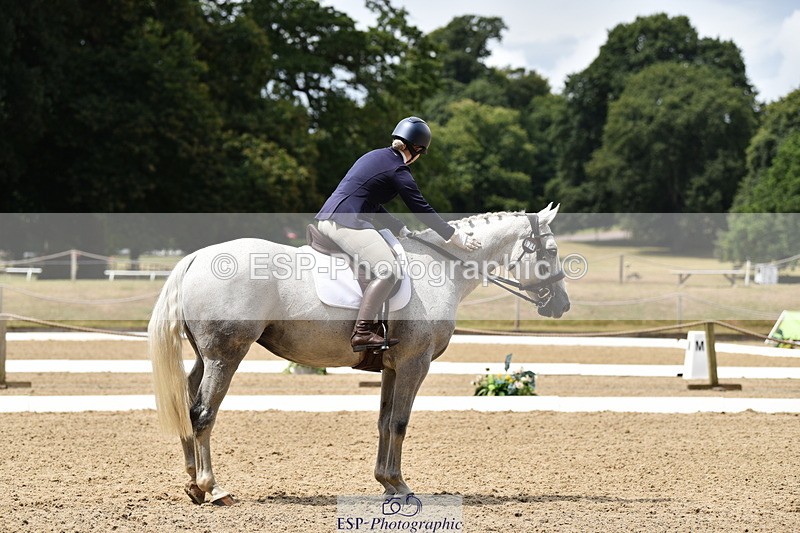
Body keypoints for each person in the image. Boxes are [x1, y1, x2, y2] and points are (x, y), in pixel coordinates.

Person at [316, 116, 482, 352]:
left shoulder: (374, 156)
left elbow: (369, 201)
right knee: (388, 269)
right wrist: (453, 235)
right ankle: (362, 332)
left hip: (331, 217)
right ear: (417, 149)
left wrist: (398, 227)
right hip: (346, 223)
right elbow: (421, 208)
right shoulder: (399, 170)